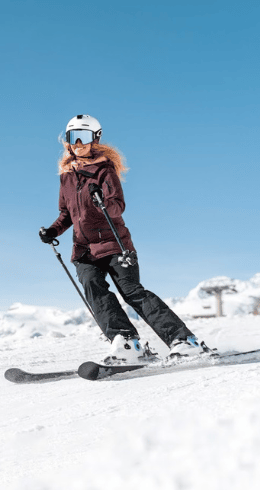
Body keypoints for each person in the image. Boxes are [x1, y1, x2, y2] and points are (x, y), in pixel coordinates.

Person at [39, 114, 206, 363]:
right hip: (84, 250)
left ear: (95, 139)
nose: (78, 143)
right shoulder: (66, 177)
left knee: (132, 292)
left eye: (84, 137)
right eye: (73, 137)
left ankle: (184, 341)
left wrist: (101, 200)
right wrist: (53, 231)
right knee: (94, 290)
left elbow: (117, 206)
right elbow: (66, 214)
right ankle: (127, 343)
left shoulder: (105, 171)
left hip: (114, 243)